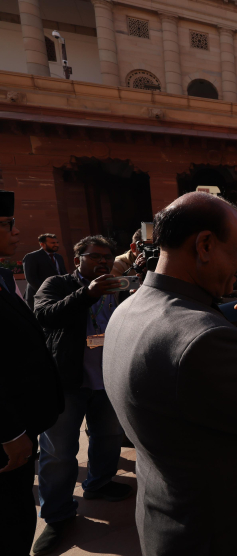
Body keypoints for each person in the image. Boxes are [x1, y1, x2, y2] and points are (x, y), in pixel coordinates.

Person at [103, 192, 237, 556]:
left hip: (169, 521)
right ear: (205, 245)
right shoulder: (201, 337)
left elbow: (195, 379)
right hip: (219, 535)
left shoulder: (129, 308)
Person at [32, 235, 133, 554]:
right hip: (68, 381)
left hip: (108, 378)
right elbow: (45, 316)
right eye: (95, 257)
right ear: (78, 260)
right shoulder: (57, 283)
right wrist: (85, 295)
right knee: (59, 451)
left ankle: (99, 484)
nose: (103, 261)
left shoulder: (119, 286)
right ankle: (58, 516)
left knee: (108, 436)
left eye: (107, 257)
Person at [0, 191, 64, 556]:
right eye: (7, 224)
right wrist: (9, 432)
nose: (16, 230)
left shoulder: (3, 277)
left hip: (22, 424)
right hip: (10, 439)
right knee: (10, 526)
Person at [22, 232, 67, 309]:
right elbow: (31, 278)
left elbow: (63, 274)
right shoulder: (32, 257)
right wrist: (45, 291)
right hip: (37, 296)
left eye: (57, 242)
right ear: (42, 244)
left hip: (57, 296)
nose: (56, 245)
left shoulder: (59, 257)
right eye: (52, 243)